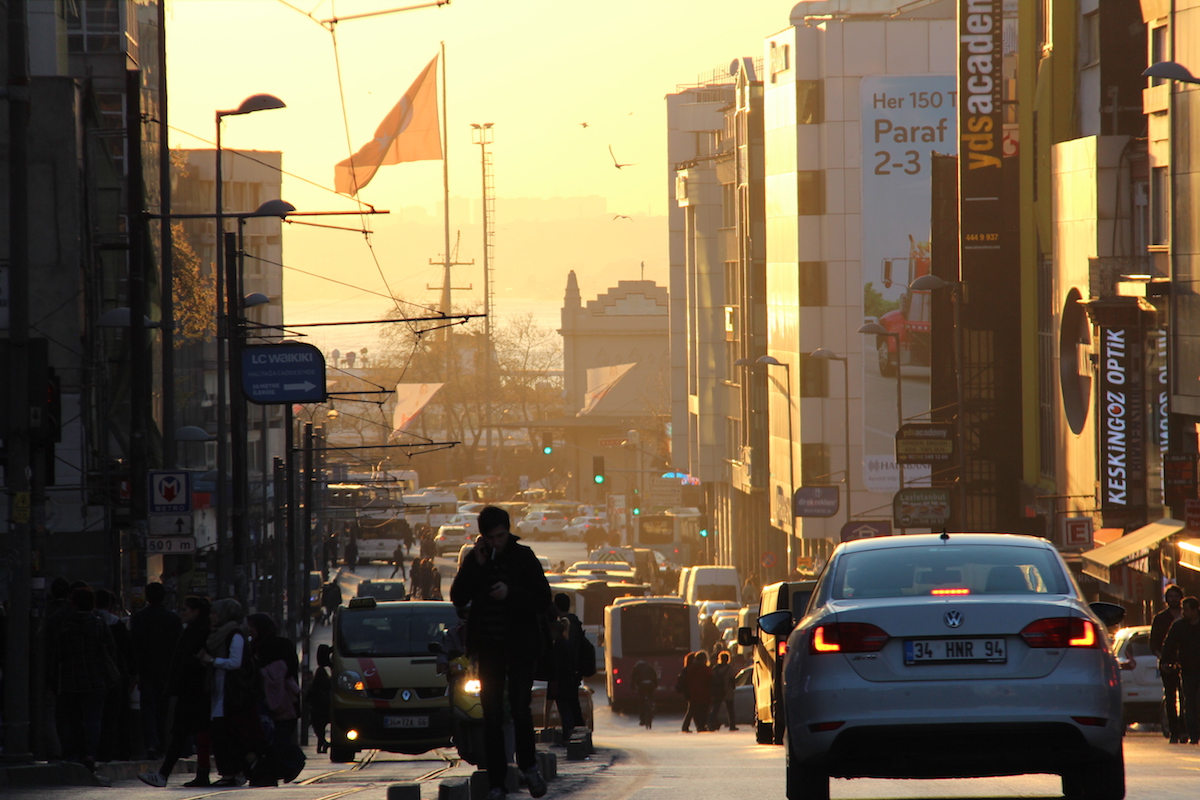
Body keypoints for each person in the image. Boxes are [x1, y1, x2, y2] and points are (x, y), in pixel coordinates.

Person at [450, 505, 552, 800]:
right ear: (482, 537)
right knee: (491, 714)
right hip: (490, 648)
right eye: (491, 537)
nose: (497, 542)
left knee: (520, 708)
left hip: (520, 647)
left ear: (509, 532)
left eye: (501, 536)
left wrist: (511, 593)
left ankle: (529, 766)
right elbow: (458, 597)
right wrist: (476, 566)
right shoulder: (477, 559)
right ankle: (497, 783)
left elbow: (542, 598)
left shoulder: (523, 557)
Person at [139, 596, 213, 788]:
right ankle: (199, 773)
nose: (181, 613)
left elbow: (194, 659)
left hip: (193, 689)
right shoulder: (194, 629)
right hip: (191, 689)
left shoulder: (200, 630)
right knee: (190, 732)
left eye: (185, 609)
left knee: (182, 732)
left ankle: (164, 774)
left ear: (196, 611)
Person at [48, 586, 118, 772]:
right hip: (97, 679)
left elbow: (58, 655)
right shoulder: (99, 624)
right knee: (93, 718)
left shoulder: (65, 625)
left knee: (69, 718)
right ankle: (89, 753)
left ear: (73, 603)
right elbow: (111, 650)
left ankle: (71, 752)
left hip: (71, 678)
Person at [199, 598, 254, 787]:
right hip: (219, 692)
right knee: (220, 734)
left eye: (215, 613)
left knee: (226, 735)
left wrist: (212, 660)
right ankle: (228, 773)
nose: (211, 617)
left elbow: (235, 662)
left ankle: (235, 772)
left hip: (230, 694)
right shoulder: (218, 635)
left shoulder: (234, 635)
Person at [247, 613, 303, 786]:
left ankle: (293, 763)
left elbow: (289, 670)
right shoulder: (253, 647)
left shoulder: (277, 646)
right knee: (270, 742)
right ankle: (270, 774)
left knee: (280, 741)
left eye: (252, 626)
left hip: (284, 704)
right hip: (264, 704)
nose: (249, 630)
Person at [130, 582, 183, 759]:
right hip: (167, 670)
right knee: (163, 708)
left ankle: (151, 744)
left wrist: (135, 671)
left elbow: (135, 646)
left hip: (146, 669)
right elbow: (178, 647)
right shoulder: (173, 618)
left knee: (148, 708)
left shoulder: (139, 618)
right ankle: (161, 742)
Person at [94, 587, 135, 762]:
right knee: (118, 715)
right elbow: (128, 651)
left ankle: (96, 750)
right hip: (117, 676)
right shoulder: (116, 624)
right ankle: (120, 751)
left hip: (94, 676)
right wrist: (132, 674)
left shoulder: (92, 621)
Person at [1162, 596, 1200, 745]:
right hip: (1188, 670)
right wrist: (1166, 661)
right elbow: (1169, 644)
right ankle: (1193, 734)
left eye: (1186, 610)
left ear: (1195, 610)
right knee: (1189, 702)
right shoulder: (1179, 626)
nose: (1183, 612)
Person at [1152, 584, 1186, 742]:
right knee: (1171, 698)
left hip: (1186, 663)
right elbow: (1154, 643)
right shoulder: (1160, 619)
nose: (1173, 599)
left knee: (1187, 698)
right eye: (1170, 597)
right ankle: (1174, 731)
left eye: (1175, 596)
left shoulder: (1188, 616)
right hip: (1167, 664)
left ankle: (1186, 729)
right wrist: (1163, 660)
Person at [550, 594, 585, 741]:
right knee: (572, 706)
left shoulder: (564, 627)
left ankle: (570, 736)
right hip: (574, 672)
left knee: (566, 708)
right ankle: (577, 735)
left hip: (566, 675)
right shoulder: (575, 624)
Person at [307, 644, 333, 754]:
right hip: (322, 707)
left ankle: (322, 745)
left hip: (318, 708)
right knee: (320, 729)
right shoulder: (324, 672)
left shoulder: (320, 672)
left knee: (319, 729)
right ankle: (323, 744)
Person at [681, 651, 712, 733]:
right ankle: (701, 726)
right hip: (704, 693)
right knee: (703, 710)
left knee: (692, 710)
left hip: (692, 693)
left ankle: (686, 726)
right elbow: (709, 681)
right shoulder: (705, 669)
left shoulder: (691, 669)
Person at [708, 650, 737, 731]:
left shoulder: (715, 668)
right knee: (730, 709)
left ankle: (710, 723)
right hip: (727, 691)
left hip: (717, 691)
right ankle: (732, 725)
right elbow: (732, 680)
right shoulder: (729, 668)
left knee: (715, 709)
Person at [631, 659, 658, 729]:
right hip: (650, 684)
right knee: (651, 696)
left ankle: (642, 720)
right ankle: (652, 705)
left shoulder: (636, 668)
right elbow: (655, 676)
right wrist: (655, 685)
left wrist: (633, 686)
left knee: (641, 702)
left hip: (642, 685)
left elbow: (633, 678)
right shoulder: (649, 667)